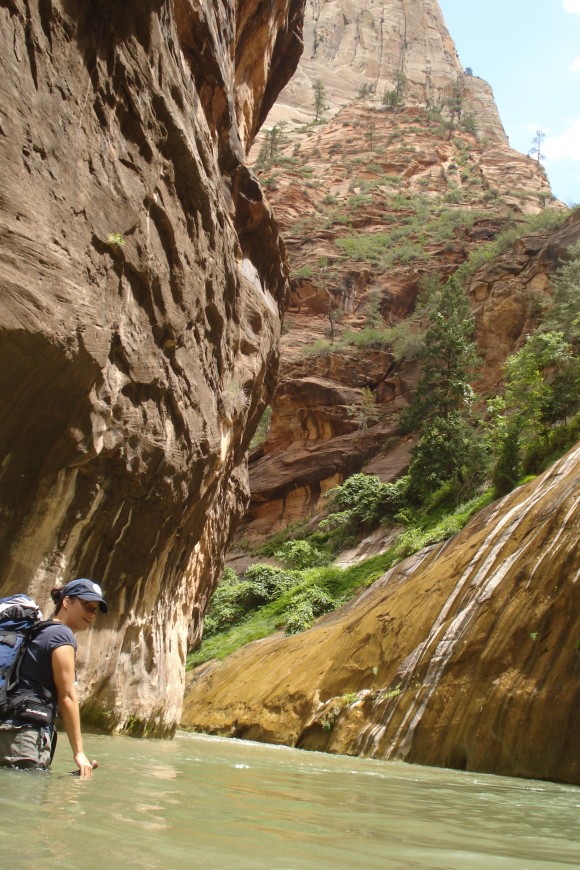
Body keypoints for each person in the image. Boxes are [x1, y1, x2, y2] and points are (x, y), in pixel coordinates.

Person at [0, 578, 108, 777]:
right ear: (66, 602)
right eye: (86, 605)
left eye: (95, 609)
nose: (91, 614)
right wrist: (79, 753)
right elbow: (67, 697)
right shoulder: (61, 636)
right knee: (26, 801)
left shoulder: (39, 631)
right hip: (26, 736)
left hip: (7, 728)